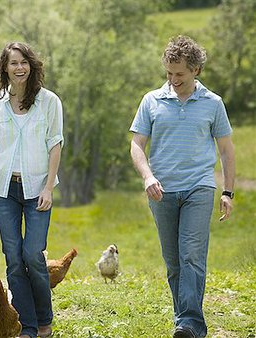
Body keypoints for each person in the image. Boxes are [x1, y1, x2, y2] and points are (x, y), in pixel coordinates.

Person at [130, 35, 235, 338]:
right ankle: (184, 322)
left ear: (196, 71)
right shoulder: (152, 100)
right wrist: (147, 176)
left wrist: (227, 192)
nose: (173, 80)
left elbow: (227, 150)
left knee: (191, 255)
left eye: (180, 74)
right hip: (161, 190)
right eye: (168, 73)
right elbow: (136, 145)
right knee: (174, 261)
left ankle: (191, 324)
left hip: (199, 187)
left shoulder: (213, 104)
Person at [0, 41, 64, 338]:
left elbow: (55, 143)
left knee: (32, 254)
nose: (19, 68)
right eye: (13, 63)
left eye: (24, 62)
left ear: (32, 66)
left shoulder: (49, 101)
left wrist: (48, 188)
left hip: (37, 189)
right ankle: (27, 326)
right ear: (4, 68)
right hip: (5, 189)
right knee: (13, 258)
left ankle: (44, 318)